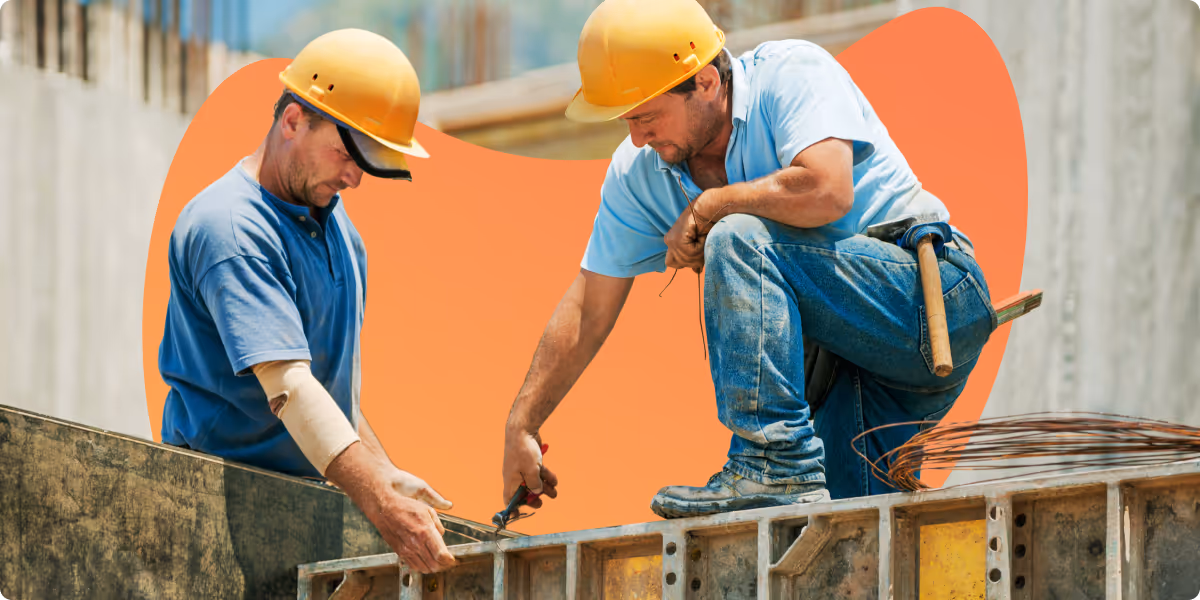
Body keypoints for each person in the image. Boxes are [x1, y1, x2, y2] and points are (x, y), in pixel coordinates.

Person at [501, 0, 997, 519]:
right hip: (851, 373)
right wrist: (522, 424)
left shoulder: (790, 75)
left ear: (708, 82)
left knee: (737, 237)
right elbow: (589, 307)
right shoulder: (639, 172)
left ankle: (772, 465)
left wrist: (712, 204)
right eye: (628, 121)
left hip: (931, 300)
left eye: (647, 116)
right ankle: (787, 474)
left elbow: (828, 190)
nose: (637, 137)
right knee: (841, 534)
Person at [158, 29, 457, 573]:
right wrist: (378, 502)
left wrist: (384, 474)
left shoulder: (341, 233)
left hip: (300, 506)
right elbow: (290, 388)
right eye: (346, 153)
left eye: (365, 163)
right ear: (293, 120)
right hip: (214, 510)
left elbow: (324, 390)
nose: (354, 178)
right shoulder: (231, 230)